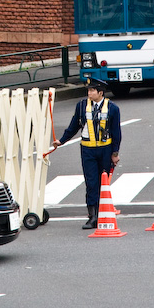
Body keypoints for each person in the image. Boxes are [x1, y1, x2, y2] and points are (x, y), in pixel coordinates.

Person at [53, 78, 122, 229]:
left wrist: (115, 153)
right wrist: (61, 140)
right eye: (88, 90)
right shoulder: (81, 106)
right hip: (87, 150)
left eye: (92, 90)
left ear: (100, 92)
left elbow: (116, 133)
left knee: (103, 183)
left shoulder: (112, 108)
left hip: (106, 150)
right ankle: (93, 217)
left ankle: (103, 213)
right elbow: (73, 126)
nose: (89, 93)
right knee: (91, 183)